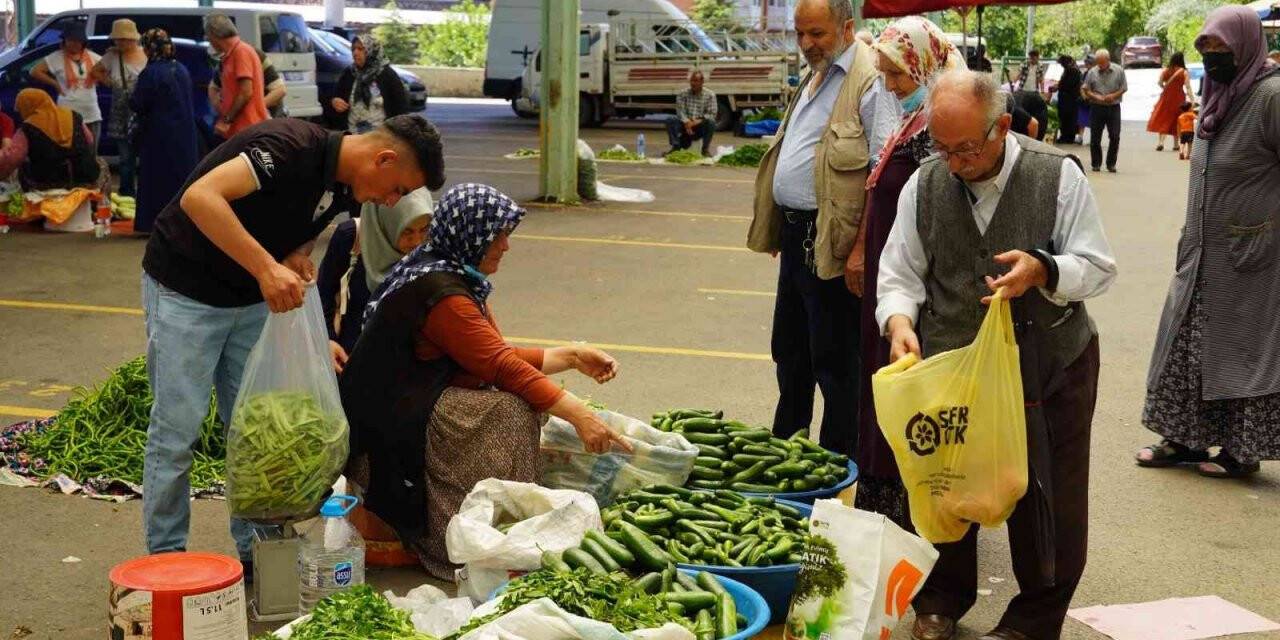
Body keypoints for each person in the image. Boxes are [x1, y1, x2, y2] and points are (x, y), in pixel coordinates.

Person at [140, 113, 445, 571]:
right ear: (383, 158)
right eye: (397, 188)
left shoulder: (347, 186)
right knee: (176, 431)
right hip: (187, 291)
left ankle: (261, 556)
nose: (392, 200)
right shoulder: (287, 147)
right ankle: (165, 563)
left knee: (260, 432)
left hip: (250, 301)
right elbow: (200, 198)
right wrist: (265, 267)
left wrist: (295, 256)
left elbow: (302, 222)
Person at [877, 69, 1116, 640]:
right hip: (956, 365)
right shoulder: (925, 182)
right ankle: (940, 599)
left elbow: (1098, 266)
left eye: (966, 148)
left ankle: (1034, 619)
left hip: (1049, 363)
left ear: (1001, 127)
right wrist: (900, 322)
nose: (954, 162)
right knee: (947, 480)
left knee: (1047, 493)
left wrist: (1046, 268)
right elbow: (899, 272)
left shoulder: (1054, 175)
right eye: (942, 147)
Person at [338, 183, 631, 578]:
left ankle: (496, 521)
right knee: (509, 411)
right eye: (499, 236)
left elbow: (490, 354)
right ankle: (464, 530)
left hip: (410, 401)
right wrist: (580, 415)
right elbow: (501, 365)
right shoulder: (442, 294)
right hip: (387, 422)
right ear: (471, 236)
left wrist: (573, 357)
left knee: (518, 401)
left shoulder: (448, 273)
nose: (506, 247)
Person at [747, 0, 898, 456]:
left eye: (818, 34)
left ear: (847, 27)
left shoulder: (868, 81)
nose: (807, 44)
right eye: (800, 34)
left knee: (834, 360)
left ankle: (836, 464)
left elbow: (880, 169)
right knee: (790, 351)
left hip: (834, 240)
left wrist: (859, 249)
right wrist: (781, 224)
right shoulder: (816, 75)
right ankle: (786, 451)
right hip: (798, 237)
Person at [1138, 5, 1280, 479]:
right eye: (1207, 48)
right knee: (1184, 345)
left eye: (1223, 48)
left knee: (1241, 351)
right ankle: (1184, 440)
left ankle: (1241, 452)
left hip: (1251, 258)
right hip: (1200, 251)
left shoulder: (1270, 96)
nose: (1215, 57)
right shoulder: (1217, 92)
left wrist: (1266, 229)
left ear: (1245, 46)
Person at [854, 15, 964, 528]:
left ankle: (911, 506)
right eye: (885, 75)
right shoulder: (910, 123)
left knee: (909, 395)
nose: (891, 86)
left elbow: (940, 220)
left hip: (915, 292)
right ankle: (887, 501)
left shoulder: (936, 133)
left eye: (898, 75)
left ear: (925, 67)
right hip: (891, 283)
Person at [318, 188, 432, 368]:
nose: (417, 241)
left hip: (402, 370)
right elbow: (322, 294)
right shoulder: (351, 236)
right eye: (407, 231)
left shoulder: (430, 251)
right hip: (347, 361)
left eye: (424, 230)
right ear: (386, 223)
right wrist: (328, 340)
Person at [130, 28, 199, 235]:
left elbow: (138, 103)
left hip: (158, 135)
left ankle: (153, 224)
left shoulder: (151, 73)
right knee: (181, 179)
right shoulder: (181, 69)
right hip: (185, 134)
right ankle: (182, 222)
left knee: (156, 180)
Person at [0, 89, 100, 190]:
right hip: (86, 178)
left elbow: (12, 159)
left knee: (24, 168)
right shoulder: (73, 115)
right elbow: (90, 139)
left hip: (48, 185)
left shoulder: (28, 127)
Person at [92, 19, 146, 198]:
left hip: (141, 112)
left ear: (133, 38)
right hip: (120, 115)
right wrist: (111, 83)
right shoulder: (112, 56)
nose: (120, 42)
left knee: (145, 156)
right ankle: (127, 193)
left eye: (124, 39)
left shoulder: (146, 54)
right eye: (118, 39)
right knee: (125, 158)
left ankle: (145, 193)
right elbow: (95, 71)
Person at [31, 25, 103, 145]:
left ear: (83, 42)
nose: (74, 44)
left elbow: (109, 68)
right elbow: (34, 71)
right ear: (65, 41)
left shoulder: (92, 56)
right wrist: (55, 84)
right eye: (71, 40)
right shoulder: (56, 57)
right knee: (69, 151)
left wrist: (99, 77)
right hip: (67, 113)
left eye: (78, 41)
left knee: (91, 153)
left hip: (91, 113)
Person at [205, 14, 268, 139]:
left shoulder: (241, 52)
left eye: (208, 36)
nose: (208, 40)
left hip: (247, 129)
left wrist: (227, 120)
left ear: (213, 34)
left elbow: (246, 92)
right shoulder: (232, 54)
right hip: (240, 130)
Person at [332, 35, 410, 134]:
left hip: (381, 136)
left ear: (372, 51)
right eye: (353, 49)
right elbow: (337, 96)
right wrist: (335, 101)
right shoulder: (349, 73)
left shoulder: (387, 75)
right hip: (352, 135)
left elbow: (400, 108)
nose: (355, 53)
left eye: (360, 49)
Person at [1082, 48, 1127, 172]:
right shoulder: (1092, 72)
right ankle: (1096, 163)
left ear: (1108, 60)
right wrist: (1096, 96)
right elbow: (1086, 89)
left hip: (1113, 107)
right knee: (1095, 137)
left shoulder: (1118, 71)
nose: (1100, 66)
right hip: (1097, 107)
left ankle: (1111, 163)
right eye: (1098, 63)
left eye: (1102, 63)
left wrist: (1113, 95)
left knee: (1115, 135)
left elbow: (1124, 88)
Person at [213, 47, 287, 119]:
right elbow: (213, 87)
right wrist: (222, 111)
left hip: (269, 117)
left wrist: (254, 109)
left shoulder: (256, 55)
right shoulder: (223, 62)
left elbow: (280, 90)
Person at [1147, 52, 1193, 151]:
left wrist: (1165, 88)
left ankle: (1161, 142)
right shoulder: (1184, 72)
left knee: (1164, 118)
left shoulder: (1165, 71)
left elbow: (1159, 82)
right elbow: (1188, 87)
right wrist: (1192, 100)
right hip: (1179, 98)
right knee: (1177, 120)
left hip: (1166, 98)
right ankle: (1176, 144)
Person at [665, 70, 717, 157]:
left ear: (702, 82)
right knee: (670, 120)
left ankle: (705, 149)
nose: (693, 83)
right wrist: (686, 122)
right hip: (685, 125)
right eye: (692, 80)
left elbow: (712, 113)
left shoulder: (710, 95)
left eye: (696, 81)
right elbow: (680, 111)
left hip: (699, 126)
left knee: (711, 122)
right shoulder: (682, 94)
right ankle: (676, 147)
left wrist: (697, 121)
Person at [1054, 54, 1083, 144]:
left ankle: (1067, 137)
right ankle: (1066, 136)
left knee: (1068, 118)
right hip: (1068, 98)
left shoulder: (1072, 71)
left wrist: (1058, 86)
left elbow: (1067, 85)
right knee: (1067, 118)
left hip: (1069, 99)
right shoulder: (1071, 70)